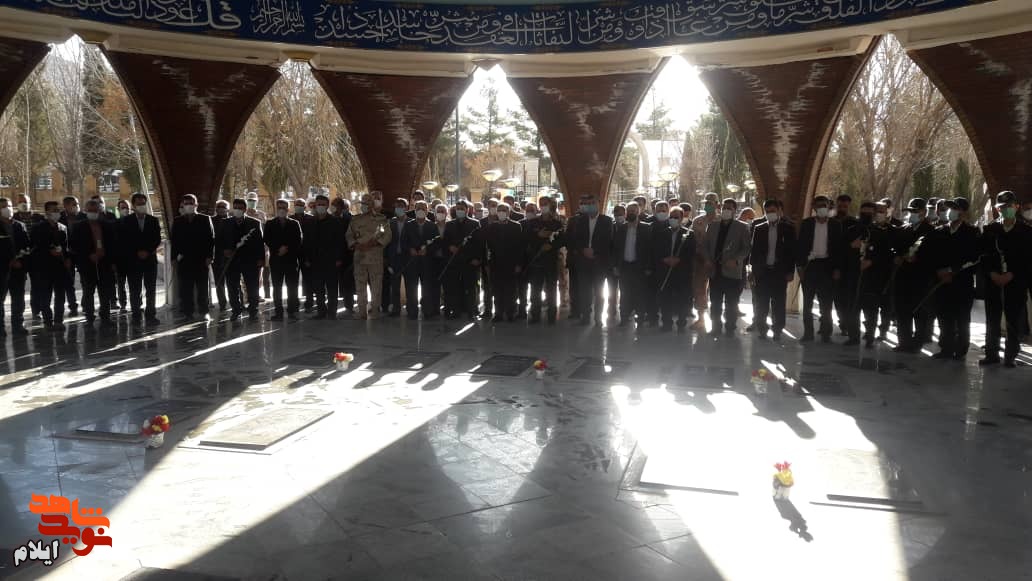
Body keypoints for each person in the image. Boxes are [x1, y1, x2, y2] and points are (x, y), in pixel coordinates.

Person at [979, 191, 1031, 367]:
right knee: (992, 319)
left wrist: (1012, 274)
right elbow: (983, 256)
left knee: (1013, 319)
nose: (1006, 209)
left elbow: (1028, 259)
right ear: (997, 209)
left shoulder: (1026, 231)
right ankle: (991, 353)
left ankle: (1010, 355)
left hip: (1015, 282)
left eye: (1010, 206)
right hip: (993, 282)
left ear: (1016, 207)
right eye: (1002, 207)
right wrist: (992, 274)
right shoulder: (990, 230)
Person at [927, 198, 979, 360]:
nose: (950, 211)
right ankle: (946, 348)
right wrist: (938, 272)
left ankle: (961, 349)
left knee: (962, 318)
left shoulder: (972, 232)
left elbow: (974, 258)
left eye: (955, 208)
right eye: (949, 208)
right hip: (941, 282)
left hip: (962, 283)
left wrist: (951, 271)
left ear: (963, 212)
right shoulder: (939, 231)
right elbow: (931, 254)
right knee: (944, 316)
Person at [795, 195, 845, 343]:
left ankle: (826, 332)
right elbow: (800, 246)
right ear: (814, 208)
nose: (822, 208)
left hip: (827, 267)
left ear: (829, 207)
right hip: (810, 266)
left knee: (826, 303)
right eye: (819, 206)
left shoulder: (836, 225)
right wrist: (800, 266)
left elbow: (839, 248)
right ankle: (808, 333)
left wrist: (837, 269)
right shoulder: (807, 224)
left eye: (824, 205)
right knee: (808, 303)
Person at [890, 198, 936, 353]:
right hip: (902, 276)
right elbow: (895, 247)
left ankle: (917, 343)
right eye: (910, 211)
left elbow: (934, 255)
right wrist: (897, 256)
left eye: (915, 211)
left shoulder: (931, 231)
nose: (912, 214)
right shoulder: (903, 229)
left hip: (920, 278)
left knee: (919, 312)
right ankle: (904, 342)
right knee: (902, 311)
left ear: (923, 212)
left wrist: (918, 259)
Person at [704, 198, 751, 337]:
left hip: (732, 271)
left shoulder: (742, 227)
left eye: (729, 208)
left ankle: (730, 327)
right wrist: (707, 259)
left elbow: (746, 248)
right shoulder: (712, 226)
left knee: (731, 302)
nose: (726, 210)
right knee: (715, 302)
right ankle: (715, 327)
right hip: (715, 271)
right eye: (724, 208)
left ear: (735, 210)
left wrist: (736, 260)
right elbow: (705, 245)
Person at [750, 199, 796, 340]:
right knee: (761, 303)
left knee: (778, 303)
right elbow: (754, 252)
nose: (770, 213)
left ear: (779, 211)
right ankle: (762, 329)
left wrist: (790, 271)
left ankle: (777, 330)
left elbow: (792, 252)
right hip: (762, 272)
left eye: (773, 211)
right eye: (767, 211)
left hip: (779, 272)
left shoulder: (788, 228)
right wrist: (752, 271)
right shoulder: (759, 228)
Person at [69, 198, 117, 327]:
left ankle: (105, 316)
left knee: (105, 292)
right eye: (90, 210)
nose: (93, 213)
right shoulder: (78, 226)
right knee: (88, 291)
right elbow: (74, 245)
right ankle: (89, 316)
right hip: (87, 264)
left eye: (95, 210)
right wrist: (88, 255)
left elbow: (113, 244)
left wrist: (110, 260)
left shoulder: (106, 225)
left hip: (104, 263)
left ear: (99, 211)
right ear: (85, 211)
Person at [566, 193, 613, 325]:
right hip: (583, 261)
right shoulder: (580, 220)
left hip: (599, 261)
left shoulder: (607, 221)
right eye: (588, 204)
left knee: (599, 292)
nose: (590, 206)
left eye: (593, 203)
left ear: (598, 204)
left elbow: (608, 240)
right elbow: (576, 239)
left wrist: (595, 251)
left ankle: (598, 318)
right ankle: (585, 317)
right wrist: (583, 250)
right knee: (584, 291)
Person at [119, 193, 162, 325]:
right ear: (133, 205)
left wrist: (147, 251)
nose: (142, 206)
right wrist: (137, 252)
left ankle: (151, 314)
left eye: (143, 203)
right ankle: (136, 315)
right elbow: (124, 240)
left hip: (150, 260)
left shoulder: (153, 220)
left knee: (151, 289)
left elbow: (157, 239)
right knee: (135, 289)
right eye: (139, 204)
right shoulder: (126, 221)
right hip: (133, 261)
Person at [346, 193, 391, 320]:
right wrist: (356, 244)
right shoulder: (355, 219)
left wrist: (374, 243)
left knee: (376, 285)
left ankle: (375, 310)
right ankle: (362, 311)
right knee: (360, 284)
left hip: (375, 256)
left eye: (366, 204)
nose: (363, 206)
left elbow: (387, 235)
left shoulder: (381, 219)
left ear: (372, 205)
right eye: (362, 204)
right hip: (359, 256)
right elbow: (349, 235)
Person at [219, 198, 264, 321]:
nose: (237, 210)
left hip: (249, 260)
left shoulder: (254, 223)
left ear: (245, 209)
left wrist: (261, 259)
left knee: (252, 286)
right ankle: (236, 310)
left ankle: (253, 310)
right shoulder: (225, 223)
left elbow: (260, 242)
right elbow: (219, 240)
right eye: (235, 207)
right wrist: (224, 250)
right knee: (232, 286)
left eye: (240, 208)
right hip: (231, 260)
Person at [171, 194, 215, 320]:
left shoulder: (205, 219)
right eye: (186, 203)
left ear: (196, 204)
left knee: (202, 287)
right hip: (184, 259)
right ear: (183, 205)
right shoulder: (178, 221)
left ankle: (204, 311)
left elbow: (211, 239)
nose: (189, 205)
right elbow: (174, 241)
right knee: (186, 288)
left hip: (201, 259)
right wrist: (173, 258)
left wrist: (210, 256)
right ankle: (187, 313)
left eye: (191, 203)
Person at [652, 206, 695, 331]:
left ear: (681, 218)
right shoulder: (662, 233)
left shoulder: (689, 234)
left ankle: (681, 323)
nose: (673, 219)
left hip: (681, 272)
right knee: (666, 298)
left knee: (682, 298)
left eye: (676, 217)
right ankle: (667, 323)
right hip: (665, 270)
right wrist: (664, 259)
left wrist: (679, 260)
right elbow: (656, 250)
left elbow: (691, 253)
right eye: (671, 217)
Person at [30, 202, 71, 331]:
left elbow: (66, 246)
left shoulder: (63, 227)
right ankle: (48, 320)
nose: (57, 212)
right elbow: (34, 247)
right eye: (54, 210)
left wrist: (67, 258)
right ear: (47, 212)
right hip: (44, 267)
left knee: (60, 295)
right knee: (45, 295)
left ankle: (58, 320)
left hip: (60, 267)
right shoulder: (38, 228)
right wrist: (48, 251)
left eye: (58, 210)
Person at [524, 196, 564, 324]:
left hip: (551, 261)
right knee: (535, 289)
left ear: (550, 205)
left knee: (551, 289)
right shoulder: (533, 222)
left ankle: (551, 315)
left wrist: (552, 246)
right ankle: (535, 315)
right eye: (541, 204)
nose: (543, 206)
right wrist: (538, 235)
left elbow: (562, 239)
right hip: (536, 261)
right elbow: (527, 238)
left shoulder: (557, 223)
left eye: (545, 203)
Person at [303, 195, 344, 319]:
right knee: (318, 288)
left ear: (327, 206)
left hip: (331, 260)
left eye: (323, 204)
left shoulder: (335, 222)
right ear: (315, 205)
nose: (320, 206)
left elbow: (340, 241)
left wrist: (339, 258)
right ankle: (321, 311)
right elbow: (306, 242)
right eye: (318, 204)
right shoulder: (310, 222)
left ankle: (332, 312)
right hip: (315, 261)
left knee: (332, 288)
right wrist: (307, 258)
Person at [401, 200, 441, 320]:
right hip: (412, 262)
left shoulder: (432, 226)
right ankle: (412, 311)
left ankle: (427, 311)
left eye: (423, 208)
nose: (420, 211)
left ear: (427, 211)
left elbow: (437, 243)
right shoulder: (408, 225)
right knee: (411, 287)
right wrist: (410, 249)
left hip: (427, 263)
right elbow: (403, 241)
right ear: (414, 210)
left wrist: (427, 250)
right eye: (418, 208)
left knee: (427, 288)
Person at [613, 201, 651, 327]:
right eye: (628, 211)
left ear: (638, 212)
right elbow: (616, 249)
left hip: (639, 267)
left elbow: (650, 249)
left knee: (640, 294)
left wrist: (648, 267)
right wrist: (615, 266)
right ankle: (624, 317)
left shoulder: (646, 228)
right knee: (624, 293)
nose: (631, 213)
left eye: (633, 211)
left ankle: (640, 318)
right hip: (624, 266)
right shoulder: (621, 228)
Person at [442, 199, 482, 320]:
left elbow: (479, 243)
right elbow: (445, 241)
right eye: (458, 208)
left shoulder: (475, 224)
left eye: (462, 209)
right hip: (454, 262)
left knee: (470, 288)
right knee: (455, 287)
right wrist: (450, 247)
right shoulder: (449, 224)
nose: (459, 211)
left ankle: (471, 311)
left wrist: (477, 258)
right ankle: (456, 310)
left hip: (469, 261)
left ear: (467, 210)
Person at [484, 202, 524, 322]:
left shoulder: (516, 226)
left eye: (504, 210)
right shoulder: (492, 226)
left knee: (511, 290)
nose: (501, 212)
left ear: (508, 212)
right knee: (497, 290)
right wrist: (488, 263)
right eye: (499, 210)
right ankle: (498, 313)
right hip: (496, 263)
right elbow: (488, 246)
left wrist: (519, 264)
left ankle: (510, 313)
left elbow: (520, 247)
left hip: (511, 263)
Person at [264, 198, 303, 320]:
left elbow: (298, 240)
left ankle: (292, 311)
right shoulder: (270, 223)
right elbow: (267, 239)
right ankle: (278, 312)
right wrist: (278, 249)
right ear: (276, 209)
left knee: (292, 287)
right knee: (277, 287)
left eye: (284, 208)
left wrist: (287, 248)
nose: (281, 210)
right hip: (276, 260)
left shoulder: (294, 223)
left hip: (291, 260)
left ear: (288, 209)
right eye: (279, 207)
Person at [0, 197, 31, 336]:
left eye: (9, 205)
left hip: (18, 268)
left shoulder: (19, 225)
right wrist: (8, 260)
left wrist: (21, 260)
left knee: (18, 298)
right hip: (2, 269)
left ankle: (18, 325)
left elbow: (26, 245)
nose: (7, 209)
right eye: (3, 207)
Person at [690, 193, 721, 331]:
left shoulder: (722, 220)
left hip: (718, 261)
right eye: (706, 203)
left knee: (717, 290)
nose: (707, 205)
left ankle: (716, 320)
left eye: (710, 203)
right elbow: (694, 240)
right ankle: (701, 318)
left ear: (717, 205)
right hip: (700, 260)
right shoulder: (698, 221)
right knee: (699, 290)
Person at [833, 194, 859, 337]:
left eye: (845, 206)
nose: (842, 208)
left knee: (847, 297)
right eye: (840, 206)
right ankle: (842, 323)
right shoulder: (831, 222)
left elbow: (855, 246)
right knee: (836, 298)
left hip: (849, 267)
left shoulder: (854, 223)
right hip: (833, 265)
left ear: (848, 206)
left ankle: (847, 324)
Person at [59, 195, 85, 317]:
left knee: (86, 281)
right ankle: (73, 306)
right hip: (67, 255)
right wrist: (65, 256)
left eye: (77, 204)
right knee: (69, 282)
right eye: (74, 204)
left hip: (82, 254)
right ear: (66, 206)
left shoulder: (83, 216)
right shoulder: (60, 218)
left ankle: (86, 304)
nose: (76, 206)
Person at [386, 198, 409, 317]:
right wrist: (387, 259)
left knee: (410, 286)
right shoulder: (390, 223)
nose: (399, 208)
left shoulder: (411, 222)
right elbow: (386, 242)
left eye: (401, 206)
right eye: (397, 206)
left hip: (407, 259)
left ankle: (411, 308)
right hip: (394, 258)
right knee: (394, 286)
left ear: (406, 208)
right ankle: (396, 309)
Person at [210, 200, 231, 311]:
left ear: (228, 209)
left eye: (224, 207)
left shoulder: (232, 221)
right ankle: (222, 303)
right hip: (217, 257)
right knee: (219, 282)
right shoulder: (211, 221)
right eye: (219, 206)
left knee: (233, 281)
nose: (221, 208)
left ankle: (237, 302)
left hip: (231, 257)